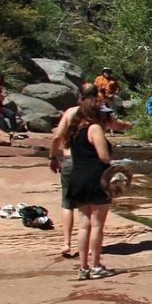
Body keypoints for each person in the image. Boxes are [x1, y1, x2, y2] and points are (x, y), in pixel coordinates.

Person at [64, 95, 117, 279]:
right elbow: (104, 157)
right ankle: (96, 266)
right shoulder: (94, 129)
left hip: (77, 179)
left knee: (84, 225)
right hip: (96, 179)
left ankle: (83, 267)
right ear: (95, 113)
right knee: (97, 226)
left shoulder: (76, 130)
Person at [50, 86, 99, 259]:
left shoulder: (70, 112)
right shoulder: (96, 113)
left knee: (67, 203)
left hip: (70, 161)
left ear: (80, 96)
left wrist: (52, 156)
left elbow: (57, 137)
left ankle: (66, 243)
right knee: (91, 206)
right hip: (90, 163)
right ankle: (92, 247)